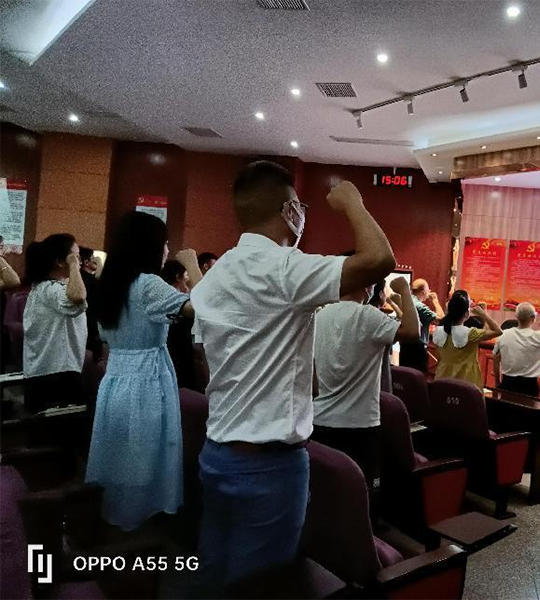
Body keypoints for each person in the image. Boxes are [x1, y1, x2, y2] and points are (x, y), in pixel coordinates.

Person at [190, 160, 395, 589]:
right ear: (288, 211)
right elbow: (379, 259)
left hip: (217, 452)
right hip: (268, 468)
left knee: (213, 573)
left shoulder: (215, 276)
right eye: (299, 206)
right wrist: (353, 202)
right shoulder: (283, 267)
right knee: (261, 586)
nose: (302, 214)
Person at [85, 212, 202, 531]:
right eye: (165, 243)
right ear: (148, 246)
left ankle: (117, 518)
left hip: (116, 377)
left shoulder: (110, 284)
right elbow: (203, 307)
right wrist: (192, 265)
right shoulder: (149, 285)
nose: (167, 250)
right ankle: (139, 526)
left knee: (119, 454)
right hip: (146, 379)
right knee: (144, 457)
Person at [312, 276, 419, 497]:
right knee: (363, 494)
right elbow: (412, 331)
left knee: (326, 493)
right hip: (358, 425)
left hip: (319, 420)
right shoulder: (368, 315)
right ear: (367, 285)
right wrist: (404, 290)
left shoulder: (319, 315)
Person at [22, 234, 87, 412]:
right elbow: (78, 297)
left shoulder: (42, 287)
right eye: (75, 257)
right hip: (57, 374)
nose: (79, 262)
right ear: (60, 262)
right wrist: (73, 266)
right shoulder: (51, 290)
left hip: (45, 372)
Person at [492, 303, 540, 397]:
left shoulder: (504, 335)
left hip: (507, 383)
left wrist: (497, 381)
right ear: (533, 318)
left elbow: (496, 358)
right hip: (529, 386)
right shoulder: (539, 337)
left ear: (516, 317)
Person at [433, 290, 502, 389]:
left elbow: (438, 355)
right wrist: (484, 314)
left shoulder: (438, 331)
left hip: (442, 378)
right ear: (466, 314)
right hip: (466, 382)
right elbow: (498, 331)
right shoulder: (470, 333)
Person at [161, 259, 198, 389]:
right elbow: (202, 307)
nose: (187, 287)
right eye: (186, 279)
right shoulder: (176, 301)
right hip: (181, 361)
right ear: (178, 277)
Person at [399, 278, 444, 373]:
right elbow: (441, 319)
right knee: (418, 378)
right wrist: (435, 301)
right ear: (423, 292)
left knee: (404, 376)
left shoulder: (405, 302)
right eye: (428, 289)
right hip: (417, 351)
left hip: (404, 348)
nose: (429, 291)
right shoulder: (420, 306)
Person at [79, 246, 103, 361]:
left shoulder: (80, 278)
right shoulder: (89, 280)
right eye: (93, 258)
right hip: (90, 325)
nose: (96, 261)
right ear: (86, 262)